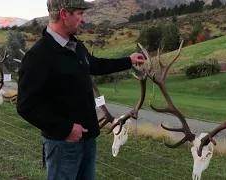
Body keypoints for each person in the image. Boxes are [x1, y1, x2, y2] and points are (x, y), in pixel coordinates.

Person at [16, 0, 145, 179]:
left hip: (87, 140)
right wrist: (66, 129)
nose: (83, 20)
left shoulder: (75, 46)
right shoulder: (38, 56)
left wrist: (128, 61)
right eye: (80, 14)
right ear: (63, 14)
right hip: (63, 145)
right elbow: (25, 106)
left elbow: (95, 64)